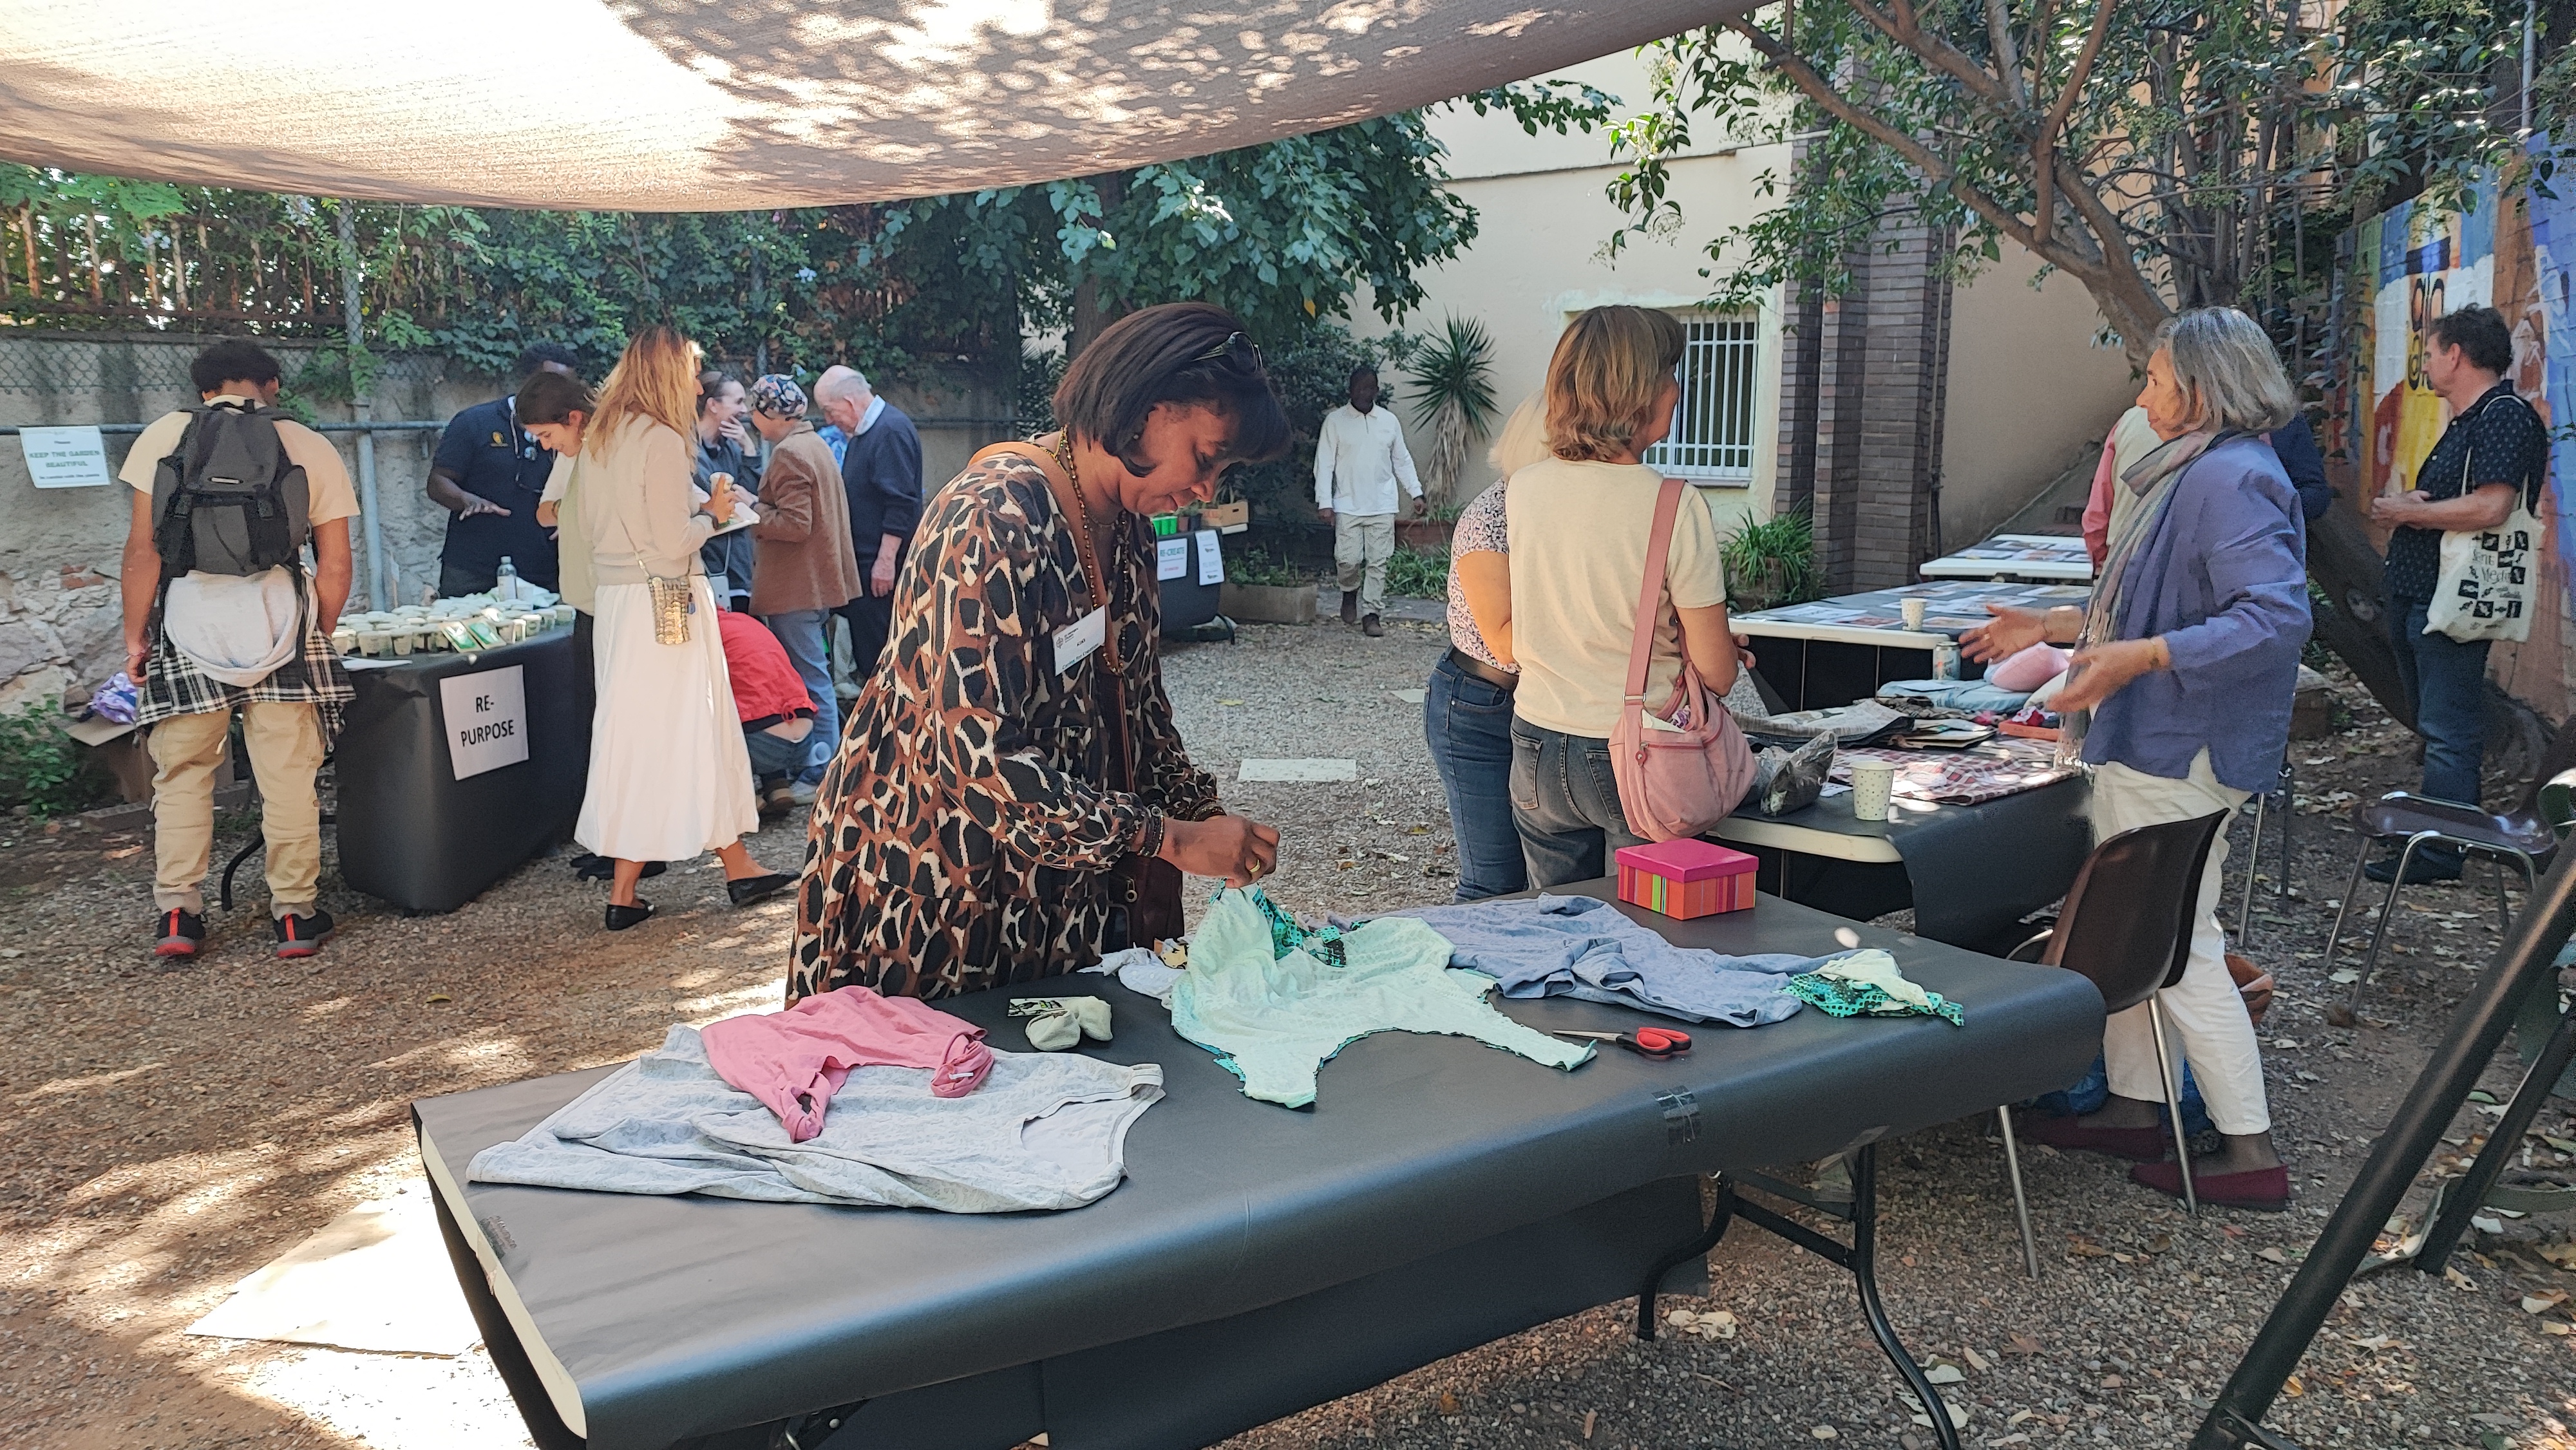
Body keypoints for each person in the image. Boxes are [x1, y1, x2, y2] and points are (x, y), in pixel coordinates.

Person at [790, 303, 1287, 1003]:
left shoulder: (1131, 526)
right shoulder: (990, 518)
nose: (1207, 488)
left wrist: (1198, 811)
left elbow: (1139, 708)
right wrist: (1165, 836)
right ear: (1140, 408)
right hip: (938, 888)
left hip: (1058, 882)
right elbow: (978, 760)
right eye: (1206, 457)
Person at [1967, 306, 2309, 1210]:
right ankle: (2133, 1104)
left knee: (2179, 945)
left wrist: (2140, 659)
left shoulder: (2229, 478)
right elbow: (2155, 605)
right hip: (2160, 739)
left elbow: (2274, 621)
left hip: (2176, 746)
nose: (2143, 393)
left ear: (2198, 388)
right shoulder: (2194, 469)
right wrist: (2048, 626)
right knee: (2139, 932)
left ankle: (2250, 1149)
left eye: (2154, 377)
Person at [118, 339, 355, 959]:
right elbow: (335, 565)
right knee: (288, 778)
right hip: (279, 624)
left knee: (185, 775)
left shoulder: (162, 437)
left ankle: (178, 913)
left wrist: (136, 634)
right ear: (271, 385)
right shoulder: (308, 444)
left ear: (202, 389)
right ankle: (295, 916)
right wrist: (317, 634)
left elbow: (144, 550)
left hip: (190, 619)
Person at [1505, 307, 1745, 888]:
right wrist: (1710, 649)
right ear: (1638, 394)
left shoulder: (1524, 488)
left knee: (1558, 926)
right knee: (1646, 935)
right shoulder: (1674, 504)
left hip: (1536, 738)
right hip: (1637, 751)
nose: (1678, 388)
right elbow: (1717, 673)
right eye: (1669, 373)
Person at [572, 327, 793, 930]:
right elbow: (674, 544)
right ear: (668, 373)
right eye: (693, 372)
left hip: (620, 601)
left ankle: (636, 889)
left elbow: (601, 528)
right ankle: (734, 866)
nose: (699, 385)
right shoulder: (664, 439)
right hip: (665, 598)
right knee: (694, 726)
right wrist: (715, 516)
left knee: (637, 736)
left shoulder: (602, 435)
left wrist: (700, 510)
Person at [2367, 303, 2548, 883]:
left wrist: (2410, 515)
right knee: (2434, 720)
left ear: (2455, 355)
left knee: (2449, 727)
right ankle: (2431, 834)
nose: (2424, 362)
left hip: (2454, 598)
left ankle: (2442, 850)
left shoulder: (2503, 415)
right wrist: (2419, 508)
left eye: (2430, 349)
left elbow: (2493, 506)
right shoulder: (2468, 419)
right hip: (2423, 591)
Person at [1423, 391, 1549, 902]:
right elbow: (1504, 640)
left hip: (1539, 705)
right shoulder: (1491, 518)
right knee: (1494, 882)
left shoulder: (1554, 517)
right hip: (1477, 706)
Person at [744, 374, 863, 800]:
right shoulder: (814, 444)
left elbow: (795, 525)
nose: (751, 421)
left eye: (754, 412)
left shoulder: (790, 453)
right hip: (816, 583)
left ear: (768, 413)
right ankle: (821, 761)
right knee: (816, 674)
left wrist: (749, 507)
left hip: (796, 586)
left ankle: (820, 767)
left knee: (811, 677)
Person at [2085, 406, 2331, 568]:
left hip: (2235, 568)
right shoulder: (2138, 418)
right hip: (2160, 566)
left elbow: (2098, 515)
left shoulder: (2272, 423)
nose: (2144, 397)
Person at [428, 343, 579, 596]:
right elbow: (438, 481)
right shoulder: (474, 422)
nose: (561, 393)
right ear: (528, 382)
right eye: (553, 384)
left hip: (545, 570)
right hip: (473, 569)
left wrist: (573, 520)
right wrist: (467, 500)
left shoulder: (572, 431)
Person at [814, 365, 923, 677]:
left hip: (880, 569)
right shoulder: (866, 431)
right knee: (869, 651)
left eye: (829, 410)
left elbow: (901, 502)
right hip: (866, 565)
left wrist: (885, 561)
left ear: (849, 402)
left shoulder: (889, 431)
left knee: (881, 655)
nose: (828, 420)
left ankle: (889, 721)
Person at [1314, 363, 1423, 638]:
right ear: (1351, 389)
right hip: (1347, 504)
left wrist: (1416, 493)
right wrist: (1324, 502)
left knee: (1378, 562)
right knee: (1347, 560)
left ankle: (1371, 614)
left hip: (1382, 504)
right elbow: (1324, 464)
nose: (1365, 392)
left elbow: (1402, 460)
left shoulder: (1389, 422)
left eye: (1370, 387)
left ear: (1377, 390)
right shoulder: (1335, 422)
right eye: (1360, 387)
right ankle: (1349, 592)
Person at [716, 607, 820, 812]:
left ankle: (743, 797)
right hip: (806, 735)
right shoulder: (745, 622)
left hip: (764, 744)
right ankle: (778, 787)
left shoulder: (706, 634)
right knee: (761, 701)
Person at [692, 368, 763, 611]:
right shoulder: (686, 450)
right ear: (713, 405)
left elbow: (752, 502)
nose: (745, 410)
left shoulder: (732, 447)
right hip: (707, 566)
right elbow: (718, 503)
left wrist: (749, 449)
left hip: (739, 567)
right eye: (739, 402)